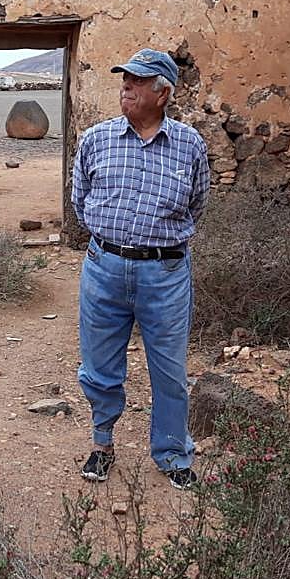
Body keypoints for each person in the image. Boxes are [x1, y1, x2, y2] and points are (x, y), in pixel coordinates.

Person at [70, 48, 210, 490]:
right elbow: (81, 200)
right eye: (124, 79)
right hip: (104, 267)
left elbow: (196, 204)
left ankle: (171, 454)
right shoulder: (96, 139)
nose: (126, 87)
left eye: (137, 80)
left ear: (163, 92)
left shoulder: (190, 145)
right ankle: (102, 443)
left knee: (169, 369)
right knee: (99, 365)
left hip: (164, 275)